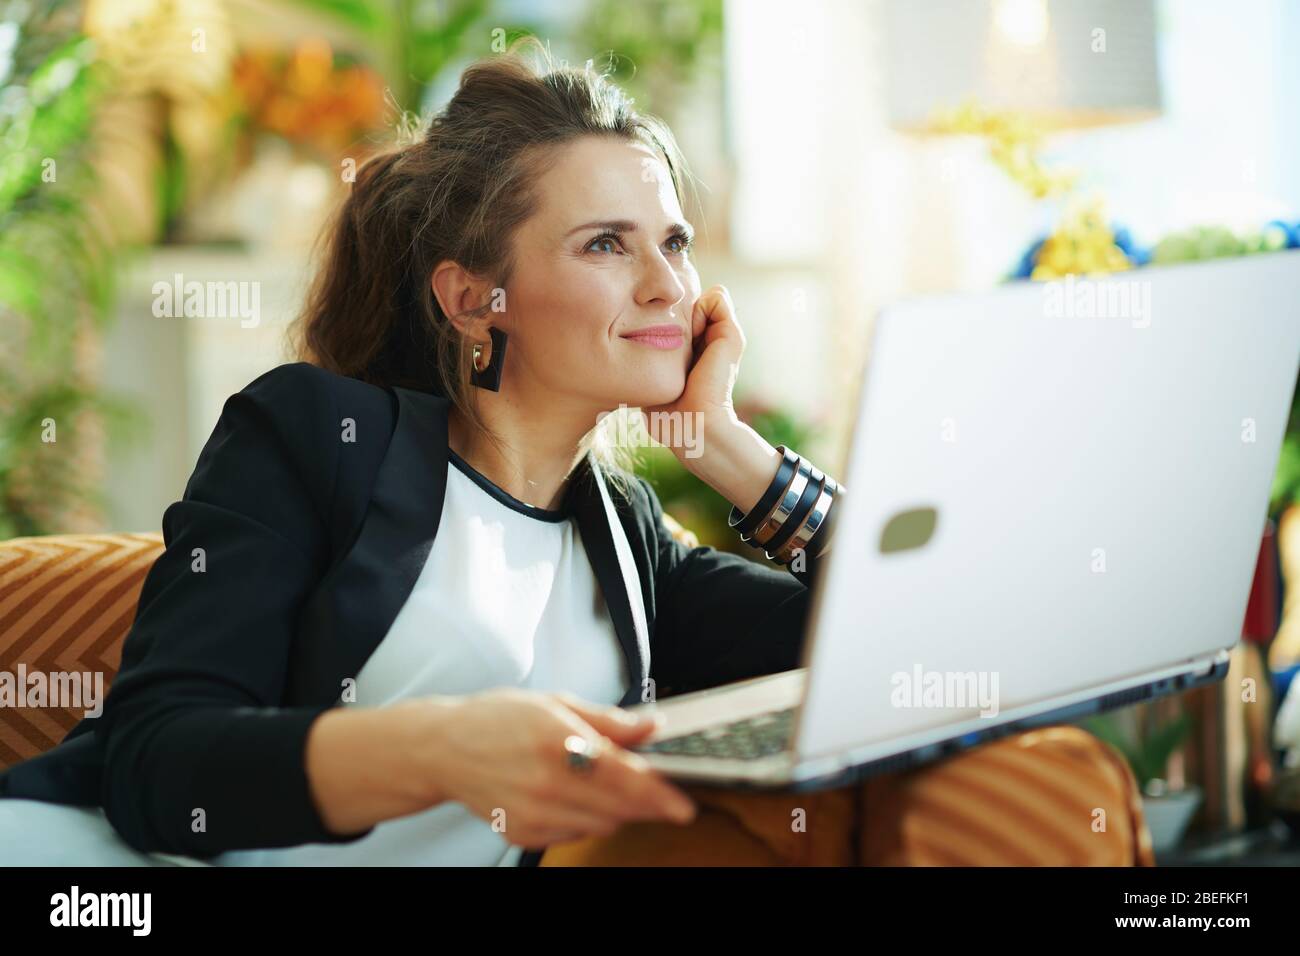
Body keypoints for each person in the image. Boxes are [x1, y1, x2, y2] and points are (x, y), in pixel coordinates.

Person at [0, 42, 1150, 867]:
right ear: (472, 297)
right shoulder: (315, 434)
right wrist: (447, 746)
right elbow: (160, 767)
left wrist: (732, 453)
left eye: (675, 242)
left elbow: (942, 644)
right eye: (606, 243)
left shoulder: (625, 544)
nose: (666, 285)